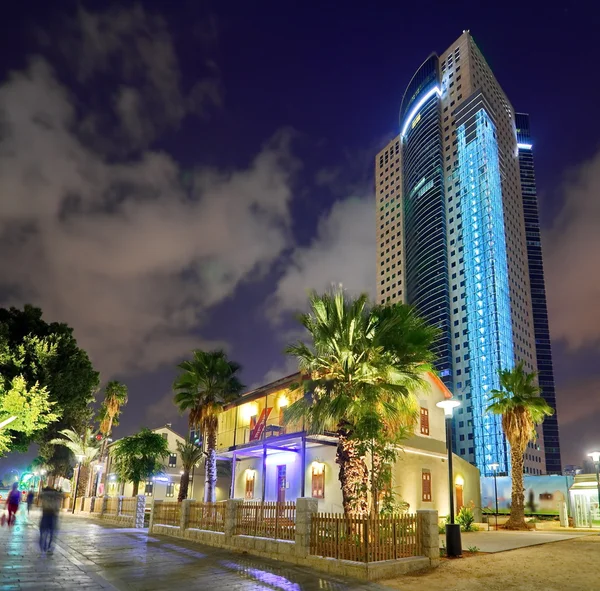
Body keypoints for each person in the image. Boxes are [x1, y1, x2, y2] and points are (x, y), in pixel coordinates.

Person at [39, 487, 61, 553]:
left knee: (43, 531)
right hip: (53, 515)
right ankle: (50, 547)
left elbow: (40, 496)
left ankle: (43, 545)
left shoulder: (44, 495)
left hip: (45, 514)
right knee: (52, 533)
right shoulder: (57, 496)